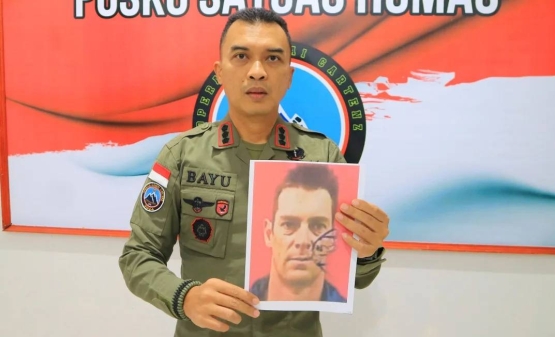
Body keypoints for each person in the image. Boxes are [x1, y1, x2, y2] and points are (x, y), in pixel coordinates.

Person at [118, 7, 390, 337]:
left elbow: (356, 278)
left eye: (272, 59)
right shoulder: (183, 155)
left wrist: (367, 250)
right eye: (242, 57)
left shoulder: (323, 157)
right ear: (219, 71)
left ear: (289, 77)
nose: (257, 71)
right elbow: (138, 256)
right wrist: (183, 297)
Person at [250, 163, 346, 303]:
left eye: (318, 226)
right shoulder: (236, 299)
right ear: (269, 233)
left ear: (332, 238)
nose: (302, 241)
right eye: (289, 225)